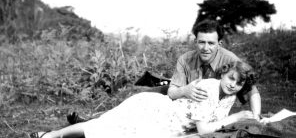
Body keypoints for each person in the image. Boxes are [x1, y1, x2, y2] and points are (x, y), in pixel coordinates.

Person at [30, 60, 257, 138]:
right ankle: (51, 135)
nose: (232, 84)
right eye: (230, 78)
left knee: (106, 132)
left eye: (238, 83)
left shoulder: (229, 95)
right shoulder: (207, 88)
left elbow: (215, 122)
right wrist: (237, 117)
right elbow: (206, 129)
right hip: (156, 114)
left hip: (174, 128)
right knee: (103, 126)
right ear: (223, 73)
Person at [168, 19, 261, 120]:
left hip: (214, 115)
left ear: (219, 44)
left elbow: (251, 90)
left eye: (211, 43)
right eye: (202, 42)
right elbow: (171, 92)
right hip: (186, 113)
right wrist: (184, 90)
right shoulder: (184, 59)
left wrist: (256, 118)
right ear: (195, 42)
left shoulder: (231, 60)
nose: (205, 48)